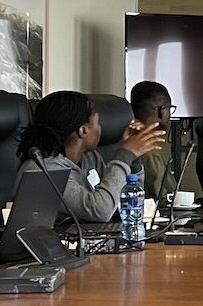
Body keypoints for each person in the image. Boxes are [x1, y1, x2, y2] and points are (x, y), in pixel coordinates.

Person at [16, 90, 166, 222]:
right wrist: (125, 156)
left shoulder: (90, 159)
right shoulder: (43, 170)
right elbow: (100, 210)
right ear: (83, 131)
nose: (101, 130)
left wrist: (133, 159)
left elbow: (125, 203)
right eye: (98, 123)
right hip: (50, 250)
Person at [129, 80, 175, 201]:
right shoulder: (150, 149)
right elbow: (164, 199)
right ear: (162, 111)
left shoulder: (125, 134)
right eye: (169, 109)